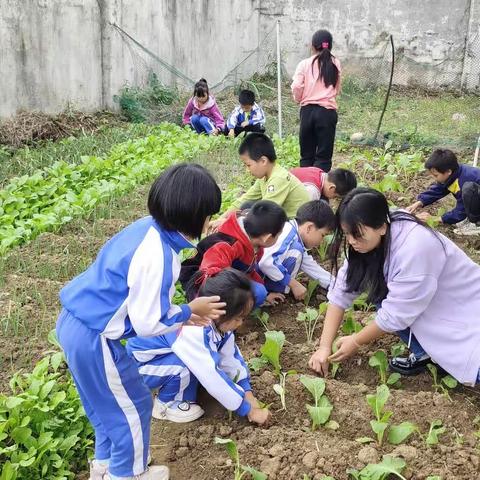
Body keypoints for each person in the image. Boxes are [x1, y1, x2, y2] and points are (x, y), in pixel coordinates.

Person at [56, 164, 227, 480]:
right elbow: (149, 323)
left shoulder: (145, 228)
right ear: (194, 216)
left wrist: (179, 315)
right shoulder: (160, 256)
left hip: (74, 322)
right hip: (95, 337)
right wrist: (189, 311)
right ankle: (127, 474)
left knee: (107, 409)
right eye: (208, 215)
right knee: (132, 407)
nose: (210, 221)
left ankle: (105, 467)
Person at [308, 188, 480, 386]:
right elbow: (341, 292)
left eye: (358, 235)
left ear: (381, 226)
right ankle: (424, 354)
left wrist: (356, 340)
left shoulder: (416, 247)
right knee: (380, 293)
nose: (352, 241)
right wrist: (323, 347)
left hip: (465, 312)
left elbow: (396, 314)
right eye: (347, 234)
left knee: (473, 365)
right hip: (427, 306)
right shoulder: (374, 235)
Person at [126, 269, 271, 426]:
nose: (241, 323)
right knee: (189, 366)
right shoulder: (194, 328)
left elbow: (230, 360)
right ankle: (166, 404)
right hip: (139, 367)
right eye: (238, 318)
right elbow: (210, 374)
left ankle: (180, 389)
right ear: (219, 314)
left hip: (164, 359)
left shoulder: (221, 327)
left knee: (200, 363)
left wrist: (247, 394)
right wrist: (248, 410)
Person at [180, 200, 287, 309]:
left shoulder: (255, 244)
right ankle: (224, 319)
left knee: (260, 290)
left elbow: (249, 270)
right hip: (198, 281)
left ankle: (236, 309)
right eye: (278, 235)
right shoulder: (227, 245)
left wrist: (266, 294)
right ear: (267, 237)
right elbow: (208, 276)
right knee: (257, 292)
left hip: (227, 273)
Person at [209, 133, 310, 231]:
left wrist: (228, 222)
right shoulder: (264, 177)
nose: (247, 170)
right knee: (246, 206)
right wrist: (220, 219)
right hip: (283, 220)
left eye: (248, 165)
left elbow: (265, 213)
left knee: (250, 215)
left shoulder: (279, 178)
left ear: (263, 161)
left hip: (296, 227)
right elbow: (245, 199)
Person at [259, 200, 336, 299]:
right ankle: (267, 293)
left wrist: (335, 285)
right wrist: (293, 283)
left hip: (253, 277)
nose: (321, 241)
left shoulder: (294, 235)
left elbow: (311, 267)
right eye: (322, 235)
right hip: (252, 280)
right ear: (309, 228)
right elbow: (266, 262)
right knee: (296, 251)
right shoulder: (287, 234)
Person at [291, 29, 341, 172]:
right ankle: (321, 188)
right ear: (330, 46)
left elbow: (296, 86)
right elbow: (336, 87)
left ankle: (306, 188)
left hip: (307, 112)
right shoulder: (335, 63)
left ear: (312, 46)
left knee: (306, 156)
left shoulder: (304, 64)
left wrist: (299, 98)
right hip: (327, 112)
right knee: (324, 158)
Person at [407, 148, 480, 236]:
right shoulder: (454, 173)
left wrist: (435, 219)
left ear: (448, 171)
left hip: (472, 193)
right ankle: (472, 217)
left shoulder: (466, 180)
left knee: (469, 190)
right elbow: (439, 189)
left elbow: (461, 210)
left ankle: (476, 223)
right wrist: (419, 202)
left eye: (436, 175)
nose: (433, 178)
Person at [290, 166, 357, 201]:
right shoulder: (313, 192)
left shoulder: (317, 171)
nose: (333, 199)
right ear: (332, 188)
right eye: (335, 196)